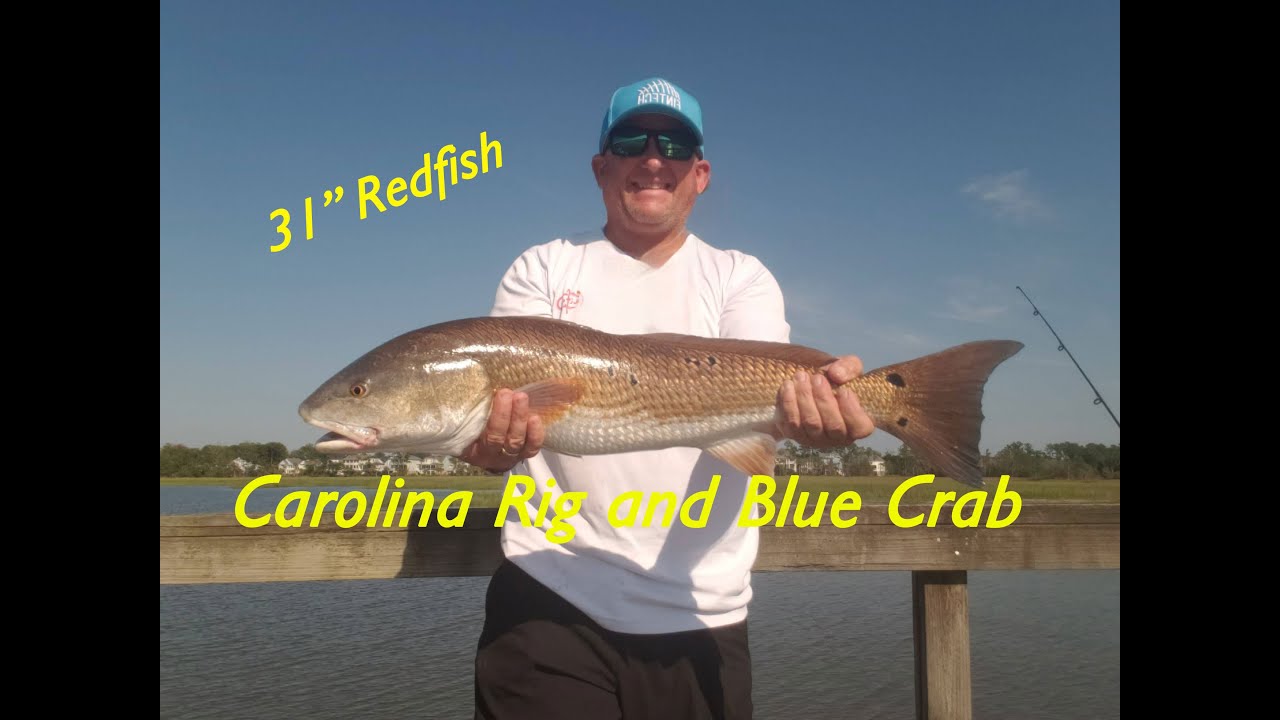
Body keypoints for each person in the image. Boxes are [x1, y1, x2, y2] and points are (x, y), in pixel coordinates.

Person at [463, 77, 873, 720]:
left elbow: (772, 401)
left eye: (675, 144)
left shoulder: (741, 276)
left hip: (702, 612)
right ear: (602, 167)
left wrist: (817, 414)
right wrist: (489, 446)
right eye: (631, 140)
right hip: (550, 601)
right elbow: (495, 444)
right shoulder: (542, 267)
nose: (653, 158)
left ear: (700, 173)